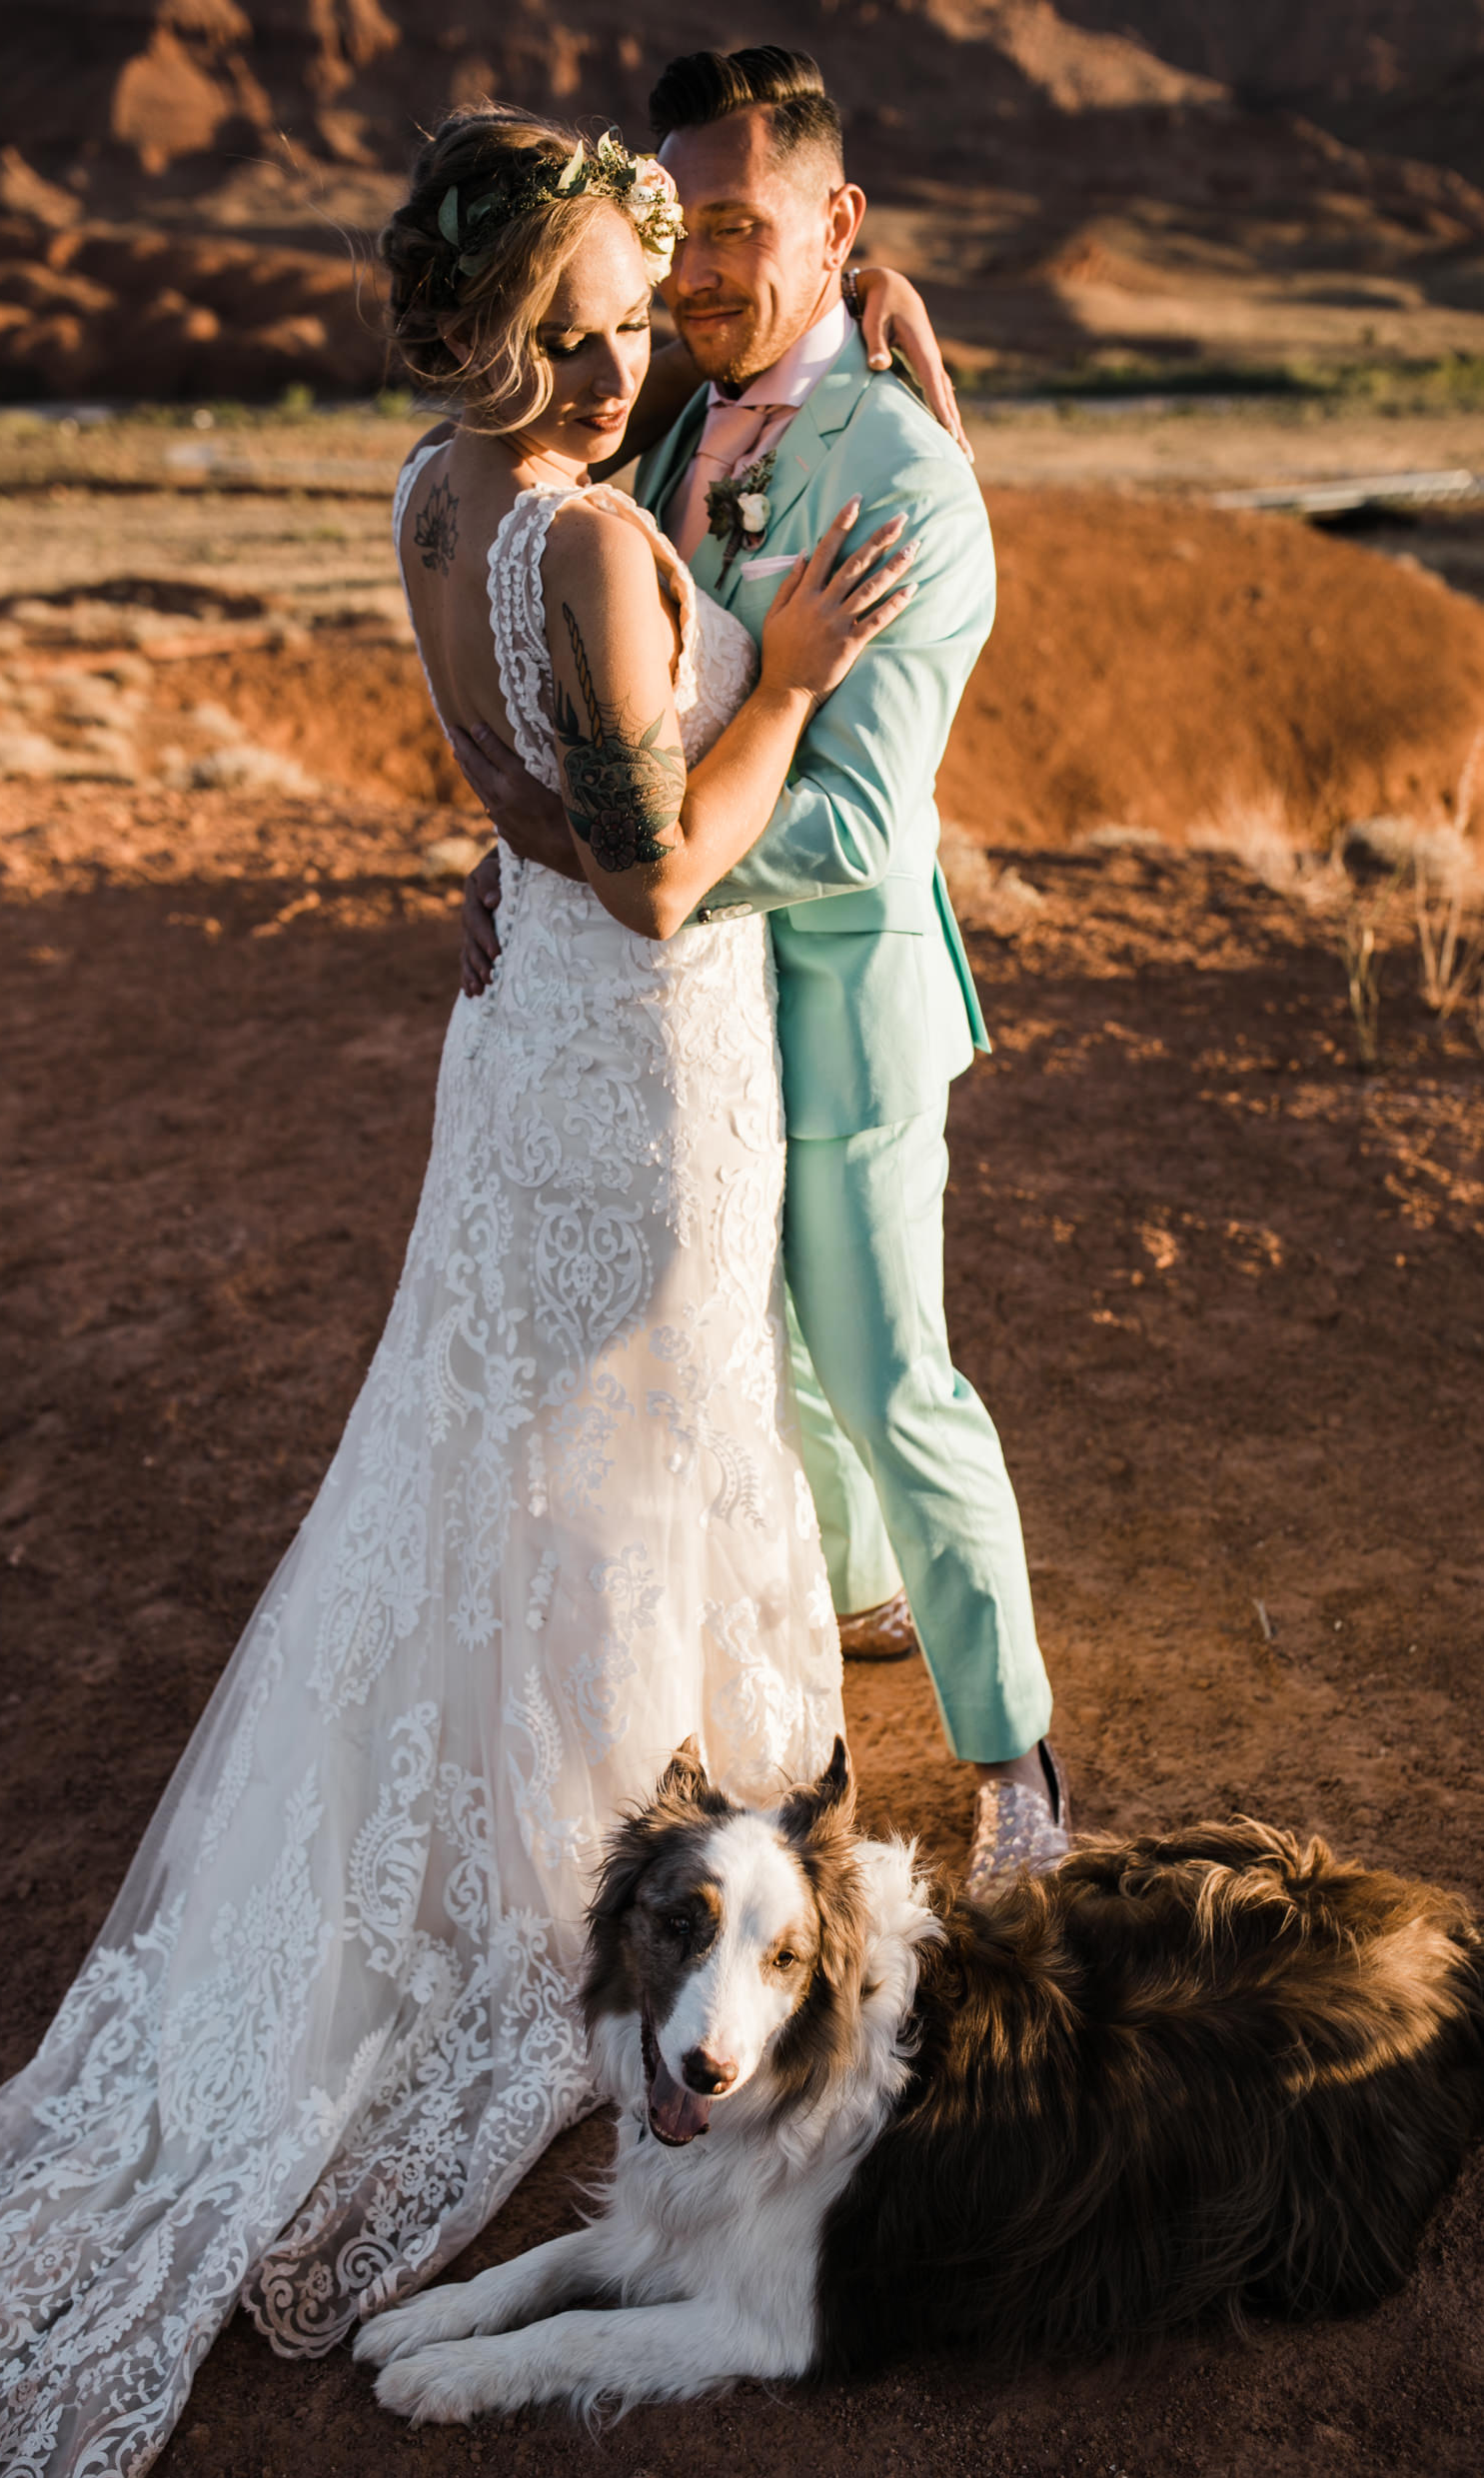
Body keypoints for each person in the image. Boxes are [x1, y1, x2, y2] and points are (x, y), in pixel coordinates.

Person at [0, 111, 924, 2478]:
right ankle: (607, 1846)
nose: (636, 362)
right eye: (604, 328)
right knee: (632, 1429)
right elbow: (656, 875)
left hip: (512, 1037)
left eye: (648, 317)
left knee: (499, 1441)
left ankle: (612, 1775)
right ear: (530, 334)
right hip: (632, 1056)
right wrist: (803, 679)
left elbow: (510, 800)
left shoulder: (437, 491)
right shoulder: (612, 545)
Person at [452, 46, 1069, 1900]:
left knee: (886, 1370)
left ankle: (1019, 1752)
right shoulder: (655, 416)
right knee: (766, 1366)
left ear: (837, 224)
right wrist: (529, 861)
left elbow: (868, 819)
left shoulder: (906, 476)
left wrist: (625, 879)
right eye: (683, 233)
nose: (704, 274)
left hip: (841, 992)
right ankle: (860, 1596)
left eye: (743, 230)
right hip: (690, 1017)